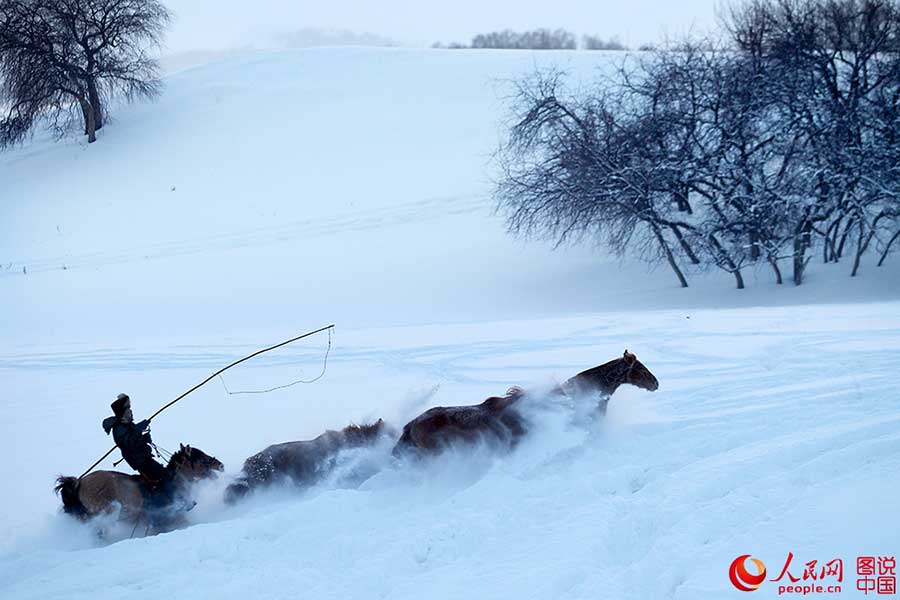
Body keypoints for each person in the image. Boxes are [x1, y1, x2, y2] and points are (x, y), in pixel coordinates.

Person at [102, 394, 171, 505]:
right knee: (162, 477)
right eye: (128, 409)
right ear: (123, 412)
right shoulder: (119, 428)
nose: (131, 411)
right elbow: (128, 443)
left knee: (165, 474)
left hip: (144, 457)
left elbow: (135, 441)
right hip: (139, 461)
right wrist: (139, 428)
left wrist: (144, 438)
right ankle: (162, 506)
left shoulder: (128, 425)